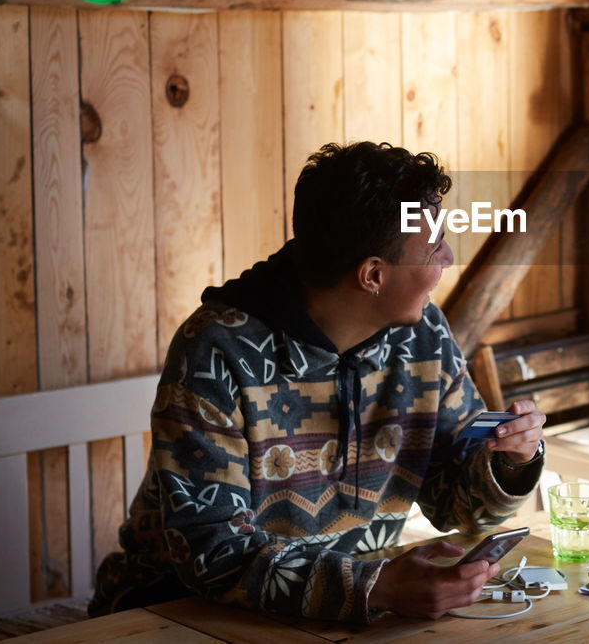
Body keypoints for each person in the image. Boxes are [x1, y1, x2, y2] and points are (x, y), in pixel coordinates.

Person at [89, 142, 547, 625]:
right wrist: (372, 587)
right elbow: (214, 553)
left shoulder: (424, 335)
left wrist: (511, 462)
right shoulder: (217, 350)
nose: (449, 257)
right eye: (434, 248)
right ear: (372, 274)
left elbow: (457, 505)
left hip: (330, 619)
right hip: (171, 613)